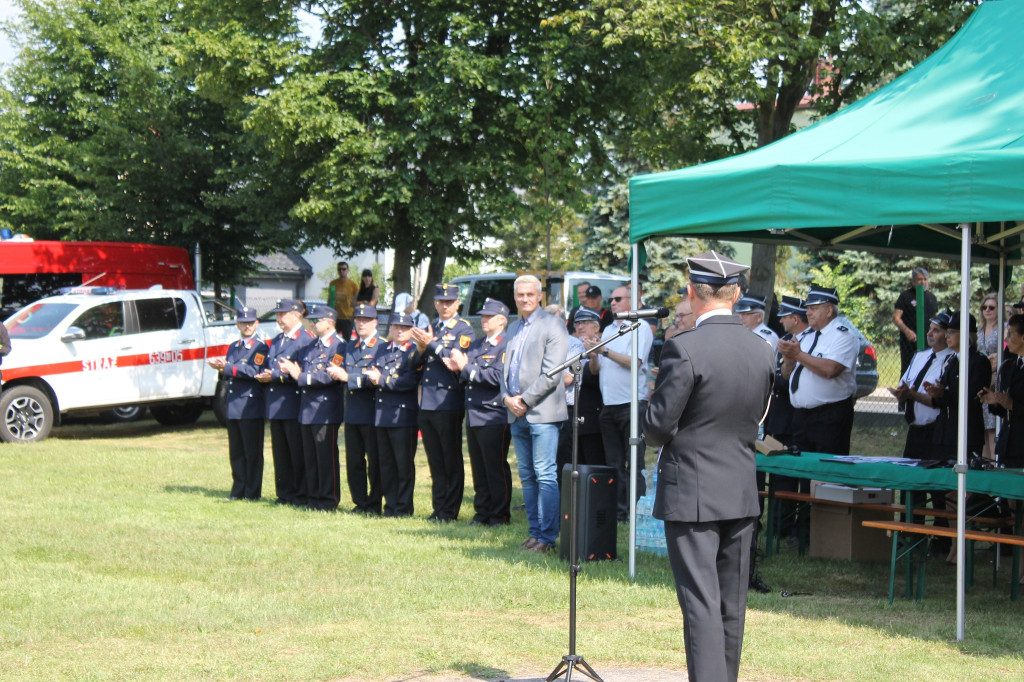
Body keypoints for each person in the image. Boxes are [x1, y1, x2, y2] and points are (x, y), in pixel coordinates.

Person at [643, 250, 775, 682]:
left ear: (691, 292)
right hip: (739, 486)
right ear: (736, 294)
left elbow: (659, 426)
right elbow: (756, 417)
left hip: (693, 490)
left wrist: (653, 414)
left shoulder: (683, 347)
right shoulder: (761, 349)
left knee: (700, 602)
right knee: (730, 606)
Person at [501, 274, 569, 553]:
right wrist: (507, 398)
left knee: (545, 474)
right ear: (515, 297)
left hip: (542, 413)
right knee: (527, 476)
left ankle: (547, 538)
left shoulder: (553, 325)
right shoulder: (513, 328)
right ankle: (534, 534)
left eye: (530, 294)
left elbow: (552, 374)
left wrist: (524, 400)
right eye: (520, 295)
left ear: (540, 295)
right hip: (516, 412)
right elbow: (504, 370)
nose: (525, 299)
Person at [410, 282, 475, 522]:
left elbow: (454, 361)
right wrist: (419, 349)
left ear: (457, 303)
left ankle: (450, 510)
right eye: (440, 301)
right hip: (426, 401)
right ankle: (438, 508)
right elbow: (413, 364)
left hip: (448, 401)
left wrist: (431, 345)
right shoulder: (432, 327)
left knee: (450, 459)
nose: (444, 306)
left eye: (449, 302)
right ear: (435, 303)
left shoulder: (463, 330)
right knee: (435, 460)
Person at [445, 298, 513, 526]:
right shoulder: (478, 345)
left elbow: (497, 377)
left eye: (488, 316)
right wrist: (459, 369)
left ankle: (499, 515)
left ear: (502, 320)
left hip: (494, 414)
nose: (483, 320)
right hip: (474, 412)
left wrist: (466, 369)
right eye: (482, 316)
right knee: (479, 468)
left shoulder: (506, 345)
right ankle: (482, 512)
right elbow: (468, 374)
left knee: (495, 468)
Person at [590, 285, 654, 522]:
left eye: (618, 299)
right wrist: (595, 356)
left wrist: (604, 351)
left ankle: (636, 511)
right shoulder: (609, 330)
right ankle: (619, 512)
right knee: (614, 462)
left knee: (634, 461)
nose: (612, 303)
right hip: (609, 405)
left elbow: (635, 362)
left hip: (631, 404)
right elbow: (596, 371)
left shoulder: (640, 327)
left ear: (632, 300)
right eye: (611, 299)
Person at [779, 285, 859, 456]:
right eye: (807, 308)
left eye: (814, 309)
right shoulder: (805, 337)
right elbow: (787, 375)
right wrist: (788, 362)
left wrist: (798, 355)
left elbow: (831, 370)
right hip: (801, 417)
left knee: (825, 472)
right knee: (803, 472)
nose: (808, 313)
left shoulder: (843, 336)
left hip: (829, 417)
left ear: (829, 310)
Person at [280, 305, 345, 511]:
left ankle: (328, 499)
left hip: (325, 410)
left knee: (325, 458)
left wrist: (300, 376)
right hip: (307, 409)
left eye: (317, 320)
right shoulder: (312, 345)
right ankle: (313, 497)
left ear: (329, 322)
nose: (313, 323)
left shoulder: (338, 346)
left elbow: (329, 376)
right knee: (311, 458)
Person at [256, 299, 316, 506]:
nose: (279, 319)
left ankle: (300, 494)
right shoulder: (278, 340)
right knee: (280, 454)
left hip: (293, 403)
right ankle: (284, 494)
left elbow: (302, 373)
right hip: (276, 404)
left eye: (283, 315)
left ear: (297, 315)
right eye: (277, 315)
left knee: (296, 453)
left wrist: (274, 376)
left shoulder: (306, 340)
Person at [208, 305, 268, 500]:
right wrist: (221, 368)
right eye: (243, 322)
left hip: (250, 405)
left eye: (250, 322)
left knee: (252, 453)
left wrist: (229, 368)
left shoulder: (261, 347)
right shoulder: (234, 347)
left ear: (257, 324)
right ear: (237, 324)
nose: (247, 326)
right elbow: (229, 373)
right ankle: (238, 490)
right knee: (236, 452)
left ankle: (252, 492)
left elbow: (254, 372)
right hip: (233, 404)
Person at [365, 312, 422, 517]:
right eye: (396, 326)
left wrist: (382, 380)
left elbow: (408, 382)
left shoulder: (414, 353)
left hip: (402, 417)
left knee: (403, 465)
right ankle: (390, 506)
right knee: (386, 465)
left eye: (404, 327)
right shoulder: (383, 349)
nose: (399, 330)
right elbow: (372, 371)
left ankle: (403, 508)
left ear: (412, 330)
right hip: (381, 415)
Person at [331, 303, 384, 515]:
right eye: (358, 319)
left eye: (366, 320)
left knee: (375, 463)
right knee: (353, 462)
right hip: (352, 412)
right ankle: (360, 502)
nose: (361, 323)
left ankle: (374, 504)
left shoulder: (381, 346)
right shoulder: (349, 346)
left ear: (375, 323)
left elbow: (375, 379)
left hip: (371, 412)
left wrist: (348, 378)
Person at [926, 311, 991, 461]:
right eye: (946, 332)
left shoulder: (978, 362)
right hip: (944, 433)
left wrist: (944, 394)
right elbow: (944, 397)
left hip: (966, 433)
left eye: (952, 332)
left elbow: (973, 398)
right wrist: (936, 394)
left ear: (966, 335)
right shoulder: (950, 360)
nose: (947, 336)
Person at [889, 310, 954, 459]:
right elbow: (905, 384)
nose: (929, 333)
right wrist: (902, 393)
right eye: (930, 329)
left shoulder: (952, 360)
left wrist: (912, 395)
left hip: (935, 430)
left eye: (936, 330)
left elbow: (939, 400)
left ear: (947, 335)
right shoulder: (921, 356)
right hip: (914, 429)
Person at [556, 308, 605, 476]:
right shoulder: (575, 346)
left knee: (594, 465)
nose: (580, 326)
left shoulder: (603, 345)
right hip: (574, 414)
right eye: (577, 323)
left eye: (585, 323)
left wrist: (594, 354)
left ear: (596, 327)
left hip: (594, 416)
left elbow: (593, 373)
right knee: (570, 463)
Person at [980, 313, 1024, 469]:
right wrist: (996, 401)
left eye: (1010, 335)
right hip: (1009, 444)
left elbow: (1014, 405)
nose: (1006, 340)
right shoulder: (1010, 367)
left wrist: (1012, 404)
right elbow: (1006, 410)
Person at [893, 267, 939, 380]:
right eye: (919, 279)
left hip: (929, 342)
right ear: (913, 281)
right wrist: (907, 331)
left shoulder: (931, 297)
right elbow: (896, 317)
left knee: (927, 369)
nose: (922, 282)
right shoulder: (905, 296)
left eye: (924, 279)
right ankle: (905, 396)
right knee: (908, 370)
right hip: (910, 343)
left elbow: (936, 319)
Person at [977, 293, 1001, 460]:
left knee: (992, 427)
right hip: (980, 378)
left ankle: (994, 462)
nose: (987, 310)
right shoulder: (979, 330)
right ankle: (986, 464)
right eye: (984, 307)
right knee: (983, 428)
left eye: (991, 307)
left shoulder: (1003, 328)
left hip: (995, 378)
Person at [328, 262, 360, 340]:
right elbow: (330, 300)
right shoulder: (333, 283)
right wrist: (329, 315)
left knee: (346, 341)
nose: (341, 271)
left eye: (344, 269)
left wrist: (353, 316)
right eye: (339, 269)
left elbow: (358, 301)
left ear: (347, 270)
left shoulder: (353, 285)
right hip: (335, 317)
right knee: (331, 338)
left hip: (348, 318)